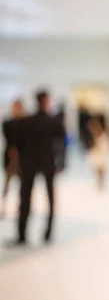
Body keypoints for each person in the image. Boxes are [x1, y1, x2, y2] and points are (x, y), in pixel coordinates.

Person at [10, 90, 66, 246]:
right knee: (49, 198)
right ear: (46, 101)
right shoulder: (53, 122)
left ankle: (22, 235)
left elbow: (18, 145)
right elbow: (61, 144)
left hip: (29, 164)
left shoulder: (26, 122)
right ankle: (48, 233)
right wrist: (61, 163)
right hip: (47, 163)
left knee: (25, 199)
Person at [2, 99, 24, 218]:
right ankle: (4, 206)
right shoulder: (7, 122)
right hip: (9, 157)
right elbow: (8, 137)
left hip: (21, 158)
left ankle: (20, 207)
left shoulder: (25, 123)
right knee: (7, 184)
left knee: (22, 184)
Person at [88, 118, 109, 191]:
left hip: (101, 155)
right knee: (98, 170)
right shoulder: (93, 136)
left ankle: (101, 184)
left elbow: (106, 146)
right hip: (97, 155)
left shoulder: (103, 136)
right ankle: (100, 184)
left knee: (101, 170)